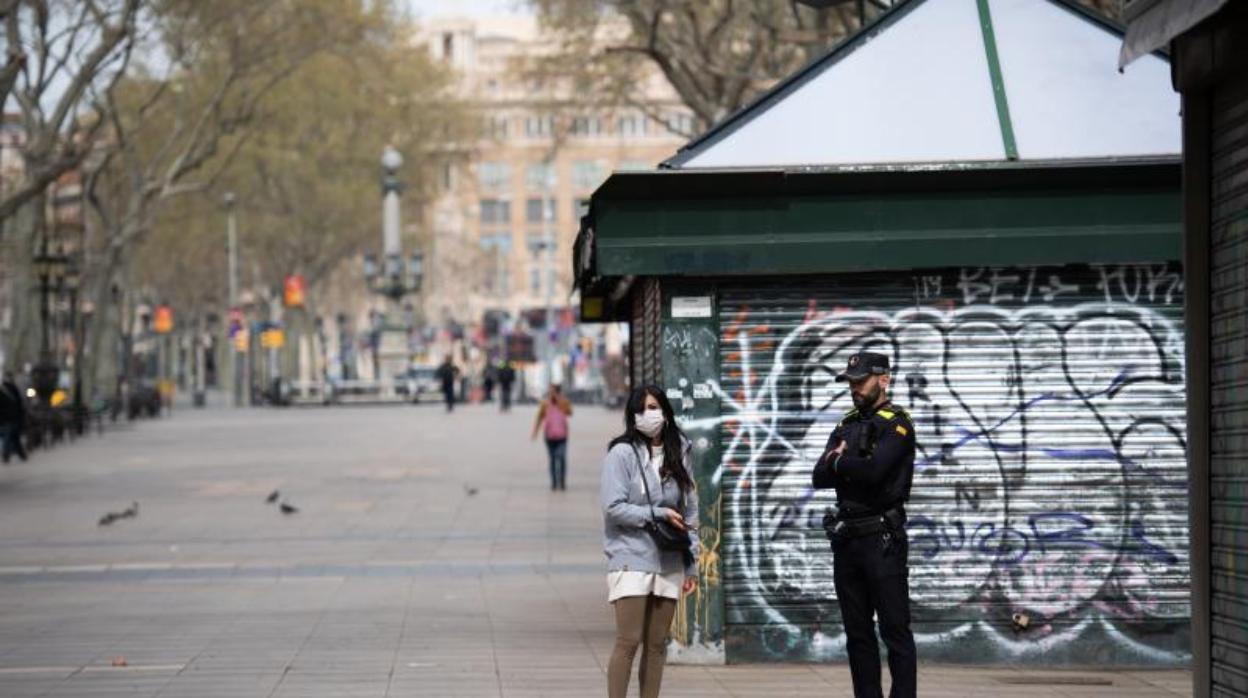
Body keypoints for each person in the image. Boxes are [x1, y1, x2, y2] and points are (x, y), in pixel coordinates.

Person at [811, 351, 917, 698]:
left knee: (895, 631)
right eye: (851, 382)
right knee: (857, 635)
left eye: (861, 381)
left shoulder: (897, 423)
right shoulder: (846, 423)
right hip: (848, 542)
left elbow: (875, 473)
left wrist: (839, 461)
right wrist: (848, 463)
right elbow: (818, 476)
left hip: (882, 540)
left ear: (883, 379)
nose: (854, 388)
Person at [600, 385, 699, 698]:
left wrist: (692, 563)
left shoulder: (680, 450)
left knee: (657, 645)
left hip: (669, 560)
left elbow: (691, 511)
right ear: (632, 416)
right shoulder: (622, 453)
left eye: (654, 407)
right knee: (628, 641)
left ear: (666, 412)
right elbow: (613, 508)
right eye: (641, 410)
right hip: (631, 557)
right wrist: (655, 513)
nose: (648, 415)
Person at [531, 384, 573, 490]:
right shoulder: (545, 403)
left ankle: (562, 481)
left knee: (562, 457)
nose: (551, 393)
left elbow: (569, 412)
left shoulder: (564, 402)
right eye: (550, 391)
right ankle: (554, 482)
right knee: (552, 459)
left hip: (562, 436)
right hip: (549, 436)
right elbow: (539, 417)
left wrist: (559, 401)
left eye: (553, 391)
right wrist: (535, 431)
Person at [0, 371, 29, 463]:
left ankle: (20, 455)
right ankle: (8, 455)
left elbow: (19, 402)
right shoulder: (10, 389)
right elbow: (19, 403)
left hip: (10, 417)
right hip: (10, 417)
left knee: (13, 437)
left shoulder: (12, 388)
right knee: (10, 437)